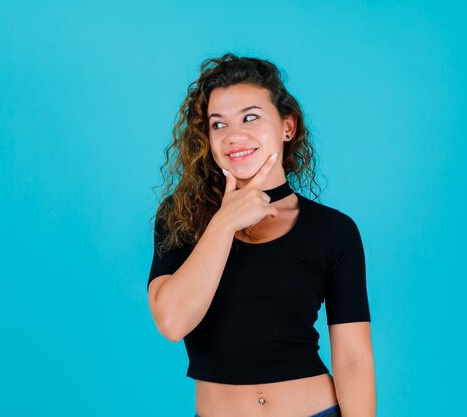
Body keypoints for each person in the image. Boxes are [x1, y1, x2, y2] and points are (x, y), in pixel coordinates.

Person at [147, 53, 376, 417]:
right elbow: (172, 321)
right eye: (218, 124)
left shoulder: (333, 230)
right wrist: (224, 222)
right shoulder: (182, 217)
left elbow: (354, 359)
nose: (235, 135)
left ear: (288, 127)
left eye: (250, 117)